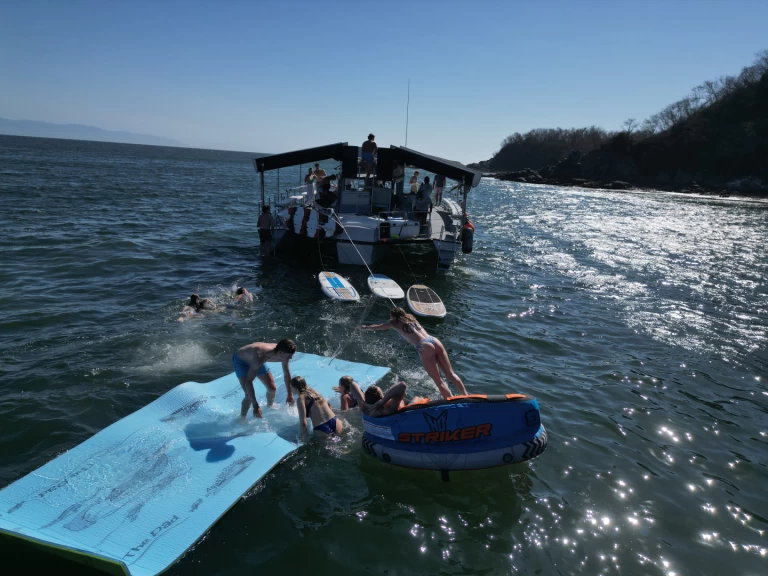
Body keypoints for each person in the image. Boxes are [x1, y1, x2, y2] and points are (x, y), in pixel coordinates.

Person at [361, 308, 466, 400]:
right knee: (451, 374)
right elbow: (404, 318)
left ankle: (450, 400)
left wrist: (366, 327)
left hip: (424, 346)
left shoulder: (394, 323)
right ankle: (465, 394)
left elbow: (379, 326)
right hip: (434, 340)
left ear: (393, 316)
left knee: (439, 381)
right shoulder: (411, 317)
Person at [232, 338, 297, 418]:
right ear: (280, 353)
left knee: (272, 388)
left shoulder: (283, 353)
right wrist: (255, 406)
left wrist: (290, 395)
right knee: (248, 396)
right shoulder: (260, 357)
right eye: (289, 356)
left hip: (256, 360)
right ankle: (242, 418)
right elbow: (248, 382)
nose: (290, 358)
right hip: (241, 362)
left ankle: (269, 407)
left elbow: (287, 374)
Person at [346, 380, 427, 417]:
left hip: (369, 406)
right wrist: (383, 401)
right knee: (418, 398)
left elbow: (352, 384)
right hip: (405, 410)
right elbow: (402, 385)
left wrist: (362, 400)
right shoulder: (387, 408)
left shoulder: (364, 407)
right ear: (381, 397)